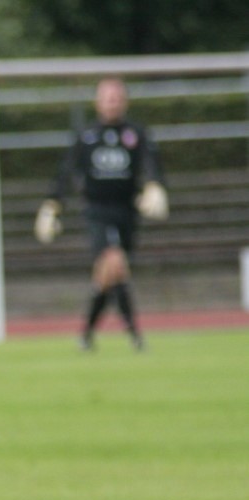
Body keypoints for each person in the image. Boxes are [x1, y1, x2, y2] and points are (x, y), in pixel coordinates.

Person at [34, 77, 168, 352]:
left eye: (116, 98)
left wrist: (155, 185)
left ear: (124, 101)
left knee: (107, 277)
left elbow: (151, 163)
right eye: (107, 98)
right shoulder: (86, 136)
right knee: (115, 263)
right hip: (97, 212)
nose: (112, 103)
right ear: (98, 102)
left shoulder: (135, 133)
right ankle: (134, 334)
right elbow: (66, 172)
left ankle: (86, 335)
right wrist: (52, 205)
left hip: (127, 212)